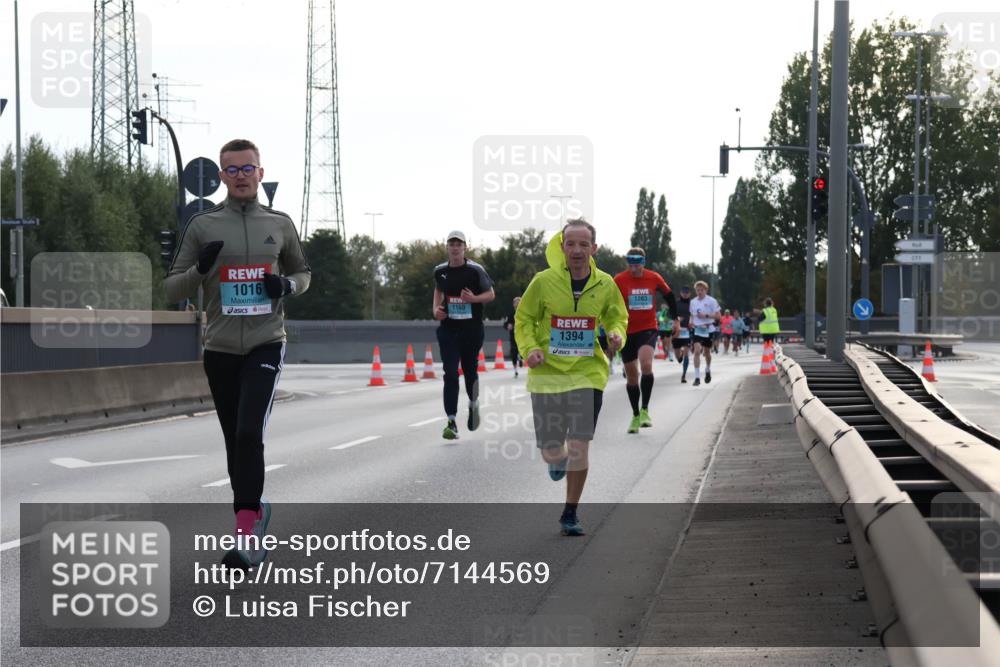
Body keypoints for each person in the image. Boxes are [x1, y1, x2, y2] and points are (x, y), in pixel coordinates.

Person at [165, 138, 311, 569]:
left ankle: (246, 534)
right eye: (232, 170)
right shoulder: (202, 226)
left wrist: (285, 286)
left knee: (250, 432)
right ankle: (254, 510)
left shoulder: (280, 223)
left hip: (266, 342)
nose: (241, 176)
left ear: (261, 173)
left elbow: (303, 273)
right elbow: (173, 287)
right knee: (234, 441)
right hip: (221, 348)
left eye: (248, 168)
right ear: (221, 177)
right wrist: (201, 269)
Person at [515, 219, 627, 536]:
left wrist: (617, 335)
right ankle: (556, 458)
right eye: (571, 244)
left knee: (580, 445)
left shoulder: (605, 284)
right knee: (553, 450)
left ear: (594, 248)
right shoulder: (543, 281)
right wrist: (531, 348)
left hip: (587, 372)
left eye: (583, 244)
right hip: (547, 374)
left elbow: (618, 317)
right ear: (562, 247)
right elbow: (523, 318)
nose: (577, 250)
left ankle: (570, 512)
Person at [433, 231, 496, 440]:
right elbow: (438, 292)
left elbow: (491, 294)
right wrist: (436, 310)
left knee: (470, 372)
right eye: (451, 243)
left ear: (464, 248)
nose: (455, 247)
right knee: (450, 373)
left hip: (472, 329)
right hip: (449, 329)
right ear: (447, 247)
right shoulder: (440, 271)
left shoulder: (475, 270)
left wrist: (473, 298)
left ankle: (473, 404)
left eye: (458, 244)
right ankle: (451, 422)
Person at [613, 248, 677, 434]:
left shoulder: (653, 277)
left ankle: (645, 410)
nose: (634, 267)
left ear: (644, 262)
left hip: (648, 328)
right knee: (632, 377)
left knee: (646, 364)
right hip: (626, 331)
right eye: (630, 262)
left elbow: (670, 296)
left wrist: (676, 320)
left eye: (637, 262)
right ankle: (635, 415)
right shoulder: (619, 279)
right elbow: (608, 300)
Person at [689, 280, 721, 387]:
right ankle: (697, 377)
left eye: (701, 290)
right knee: (697, 351)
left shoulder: (712, 301)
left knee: (707, 352)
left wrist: (706, 316)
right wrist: (691, 322)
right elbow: (692, 315)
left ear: (706, 290)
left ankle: (707, 369)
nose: (699, 292)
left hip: (709, 329)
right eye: (697, 290)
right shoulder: (693, 302)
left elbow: (718, 316)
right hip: (698, 329)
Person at [672, 285, 693, 383]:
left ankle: (683, 375)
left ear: (689, 294)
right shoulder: (676, 303)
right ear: (680, 293)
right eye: (683, 293)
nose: (685, 294)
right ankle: (679, 357)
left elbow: (695, 315)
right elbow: (669, 315)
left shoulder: (692, 304)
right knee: (678, 356)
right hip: (677, 331)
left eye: (687, 293)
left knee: (686, 354)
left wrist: (692, 323)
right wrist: (676, 320)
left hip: (687, 332)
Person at [503, 296, 522, 377]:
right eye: (515, 303)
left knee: (522, 350)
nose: (517, 304)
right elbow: (505, 324)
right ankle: (515, 370)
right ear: (513, 304)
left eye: (519, 302)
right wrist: (508, 326)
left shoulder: (524, 313)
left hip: (523, 336)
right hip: (513, 336)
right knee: (513, 352)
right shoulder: (511, 314)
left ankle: (520, 358)